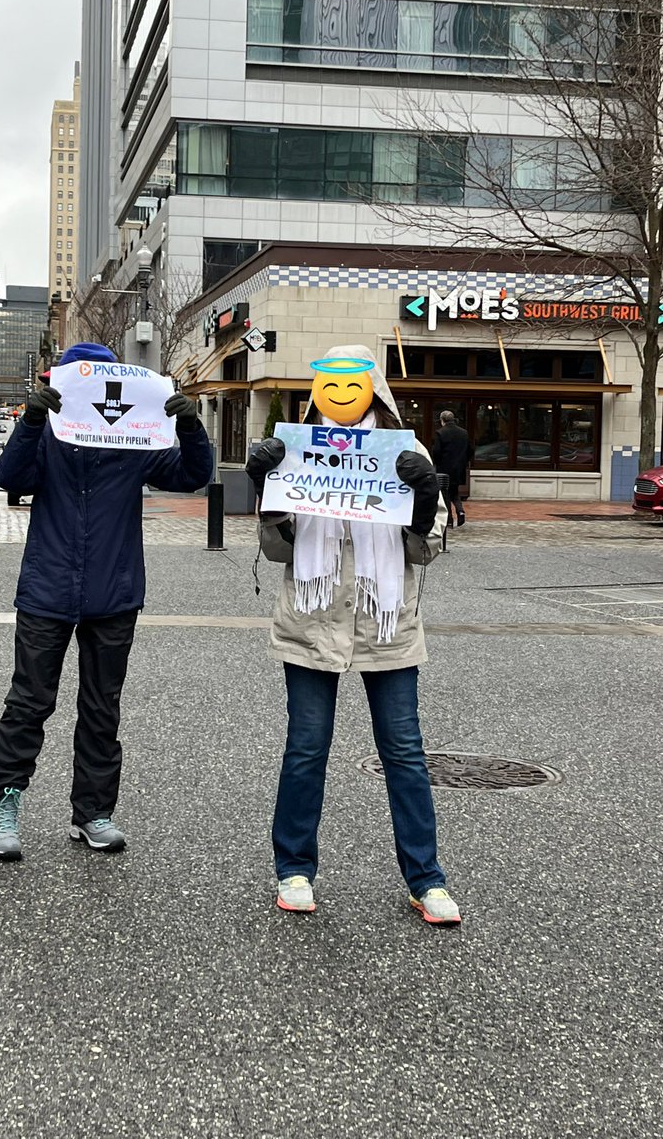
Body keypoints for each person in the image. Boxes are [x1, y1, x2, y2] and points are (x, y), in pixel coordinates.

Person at [246, 344, 460, 925]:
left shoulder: (406, 451)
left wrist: (423, 504)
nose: (342, 396)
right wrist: (267, 499)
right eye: (331, 385)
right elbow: (277, 551)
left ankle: (426, 878)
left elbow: (425, 550)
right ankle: (293, 869)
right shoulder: (293, 451)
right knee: (305, 748)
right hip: (312, 619)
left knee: (405, 752)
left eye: (354, 384)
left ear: (373, 390)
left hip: (386, 620)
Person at [0, 342, 213, 859]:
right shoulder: (49, 433)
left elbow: (191, 477)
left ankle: (92, 812)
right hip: (48, 589)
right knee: (29, 702)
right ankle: (1, 805)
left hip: (114, 591)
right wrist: (32, 421)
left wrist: (191, 426)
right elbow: (11, 479)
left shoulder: (134, 438)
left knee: (102, 706)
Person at [431, 410, 474, 528]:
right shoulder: (464, 433)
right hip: (459, 468)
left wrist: (436, 462)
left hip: (444, 468)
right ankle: (460, 511)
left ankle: (449, 519)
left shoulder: (440, 433)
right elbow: (471, 449)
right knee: (454, 491)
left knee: (445, 494)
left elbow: (436, 451)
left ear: (442, 420)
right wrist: (464, 461)